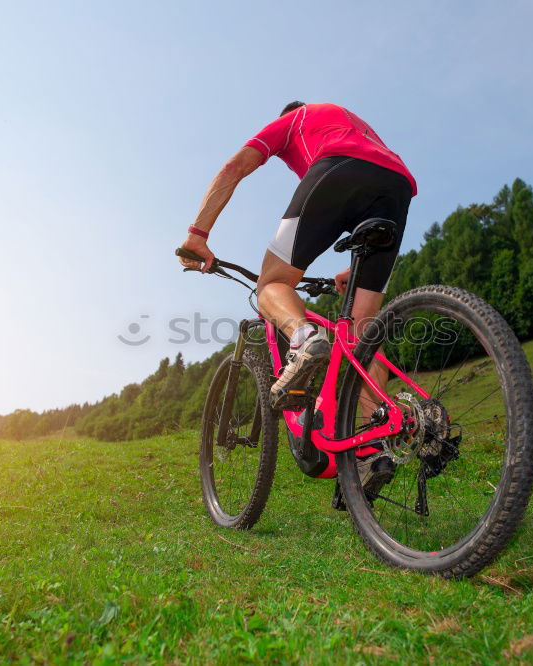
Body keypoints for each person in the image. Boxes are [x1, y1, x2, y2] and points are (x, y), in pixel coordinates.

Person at [178, 101, 416, 501]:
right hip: (396, 186)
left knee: (272, 283)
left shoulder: (295, 120)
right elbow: (367, 181)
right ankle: (373, 445)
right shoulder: (353, 123)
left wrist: (197, 234)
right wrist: (353, 264)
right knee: (360, 338)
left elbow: (233, 168)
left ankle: (303, 339)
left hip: (338, 169)